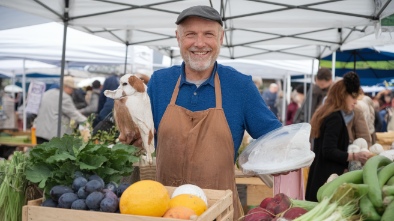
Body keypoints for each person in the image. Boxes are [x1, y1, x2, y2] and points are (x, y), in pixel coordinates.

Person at [146, 6, 282, 219]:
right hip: (166, 211)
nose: (199, 43)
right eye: (191, 34)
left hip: (221, 213)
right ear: (178, 38)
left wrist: (254, 161)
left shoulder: (240, 86)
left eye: (208, 34)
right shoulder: (159, 83)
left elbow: (275, 139)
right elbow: (138, 139)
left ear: (221, 38)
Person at [305, 72, 373, 202]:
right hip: (327, 179)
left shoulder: (327, 114)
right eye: (353, 97)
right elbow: (328, 151)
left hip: (320, 174)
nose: (355, 102)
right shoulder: (335, 118)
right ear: (343, 96)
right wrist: (354, 156)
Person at [34, 76, 87, 144]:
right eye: (72, 89)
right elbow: (73, 113)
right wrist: (87, 121)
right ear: (66, 87)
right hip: (53, 135)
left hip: (40, 132)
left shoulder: (47, 93)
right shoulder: (64, 97)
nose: (72, 91)